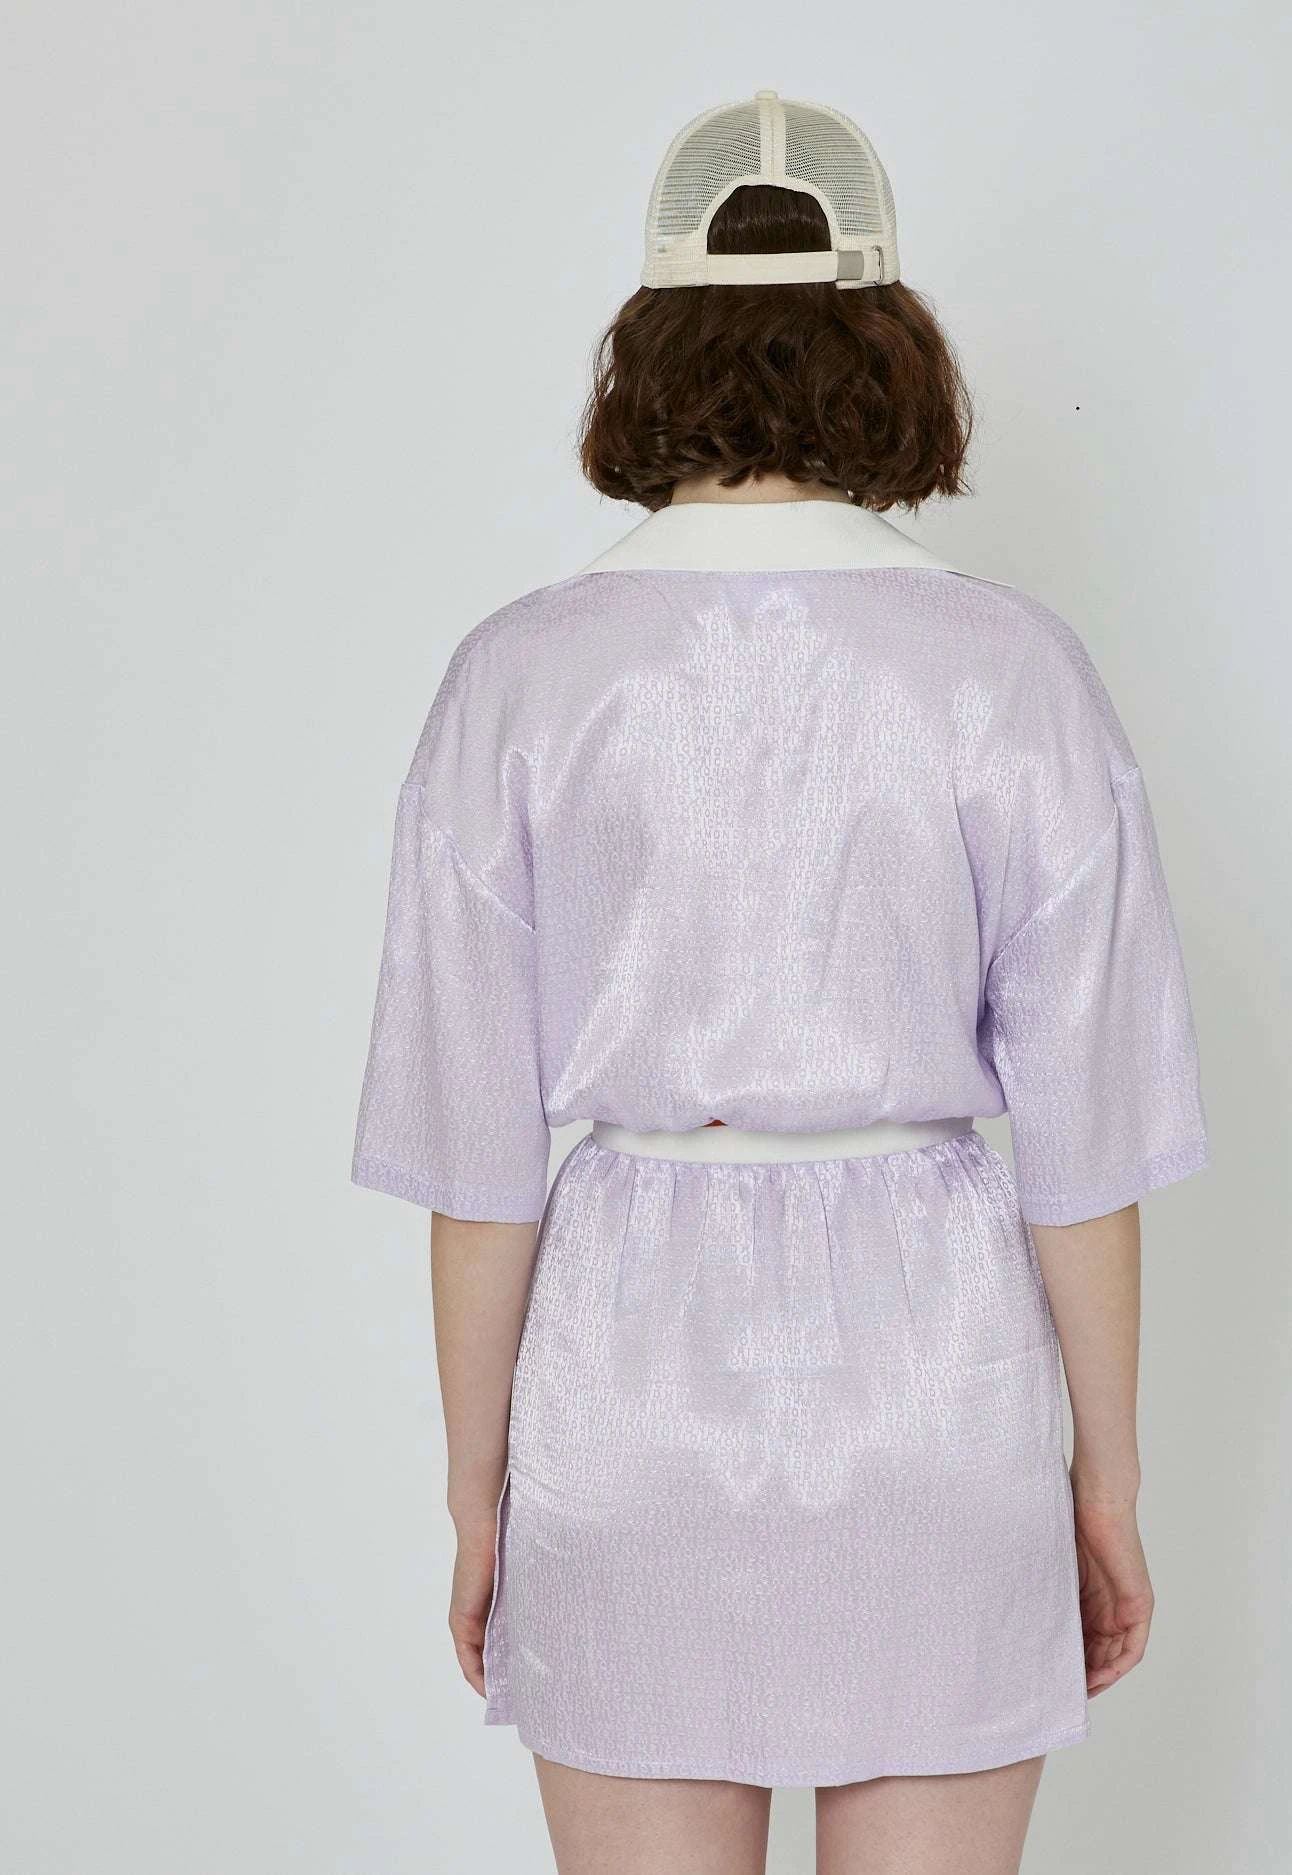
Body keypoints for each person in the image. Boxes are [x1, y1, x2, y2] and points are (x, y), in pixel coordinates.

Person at [352, 91, 1208, 1875]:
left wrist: (473, 1490)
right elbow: (1087, 1146)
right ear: (887, 342)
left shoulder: (517, 677)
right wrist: (1107, 1481)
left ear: (648, 344)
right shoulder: (1010, 670)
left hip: (627, 1394)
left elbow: (477, 1162)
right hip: (937, 1387)